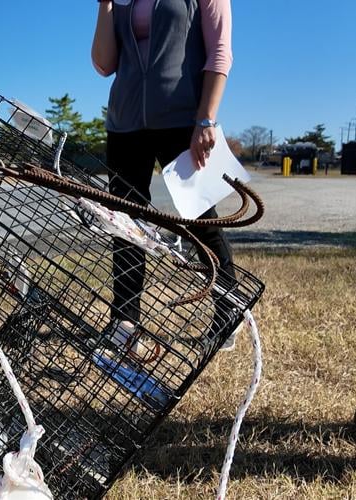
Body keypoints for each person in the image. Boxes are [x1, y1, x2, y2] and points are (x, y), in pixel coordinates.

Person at [91, 0, 239, 348]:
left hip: (182, 121)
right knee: (126, 223)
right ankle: (125, 320)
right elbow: (103, 63)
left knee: (201, 219)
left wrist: (206, 119)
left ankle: (227, 309)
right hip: (125, 124)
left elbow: (220, 53)